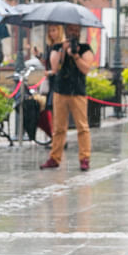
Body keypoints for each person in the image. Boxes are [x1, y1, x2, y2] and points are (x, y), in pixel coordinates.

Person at [40, 23, 95, 172]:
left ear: (80, 31)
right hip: (60, 91)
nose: (73, 32)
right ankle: (54, 158)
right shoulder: (58, 47)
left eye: (76, 29)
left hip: (77, 92)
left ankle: (84, 158)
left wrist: (76, 56)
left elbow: (85, 69)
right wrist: (63, 52)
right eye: (70, 29)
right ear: (66, 30)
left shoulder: (85, 48)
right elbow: (54, 68)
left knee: (82, 127)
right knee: (58, 128)